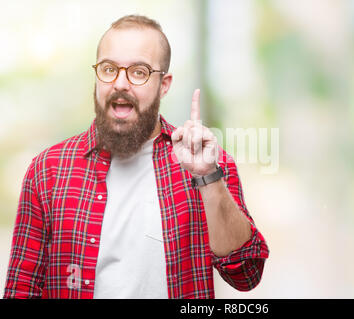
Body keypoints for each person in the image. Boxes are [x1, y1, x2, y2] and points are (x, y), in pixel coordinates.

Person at [3, 15, 269, 299]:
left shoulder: (207, 164)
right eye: (108, 69)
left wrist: (208, 178)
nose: (120, 83)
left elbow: (246, 275)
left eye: (139, 72)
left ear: (164, 85)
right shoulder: (48, 171)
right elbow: (21, 290)